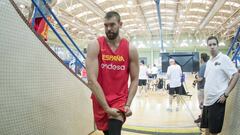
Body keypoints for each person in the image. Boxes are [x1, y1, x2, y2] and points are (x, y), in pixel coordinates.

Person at [86, 11, 139, 135]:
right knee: (107, 132)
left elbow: (135, 79)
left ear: (120, 24)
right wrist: (106, 108)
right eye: (106, 25)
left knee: (114, 132)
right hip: (100, 98)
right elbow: (91, 80)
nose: (108, 29)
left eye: (112, 25)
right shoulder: (95, 45)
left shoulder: (130, 49)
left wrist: (127, 105)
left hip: (119, 99)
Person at [200, 36, 239, 135]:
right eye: (210, 45)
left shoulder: (224, 59)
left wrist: (226, 94)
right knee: (206, 130)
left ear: (217, 46)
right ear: (207, 47)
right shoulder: (209, 62)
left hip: (217, 101)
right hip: (207, 102)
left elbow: (236, 74)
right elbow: (208, 81)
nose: (212, 47)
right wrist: (203, 99)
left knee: (214, 132)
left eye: (214, 44)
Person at [194, 53, 209, 123]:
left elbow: (200, 79)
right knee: (203, 104)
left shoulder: (203, 66)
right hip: (205, 87)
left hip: (202, 88)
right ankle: (202, 116)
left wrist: (196, 78)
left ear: (202, 59)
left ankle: (202, 118)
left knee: (201, 104)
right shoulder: (207, 65)